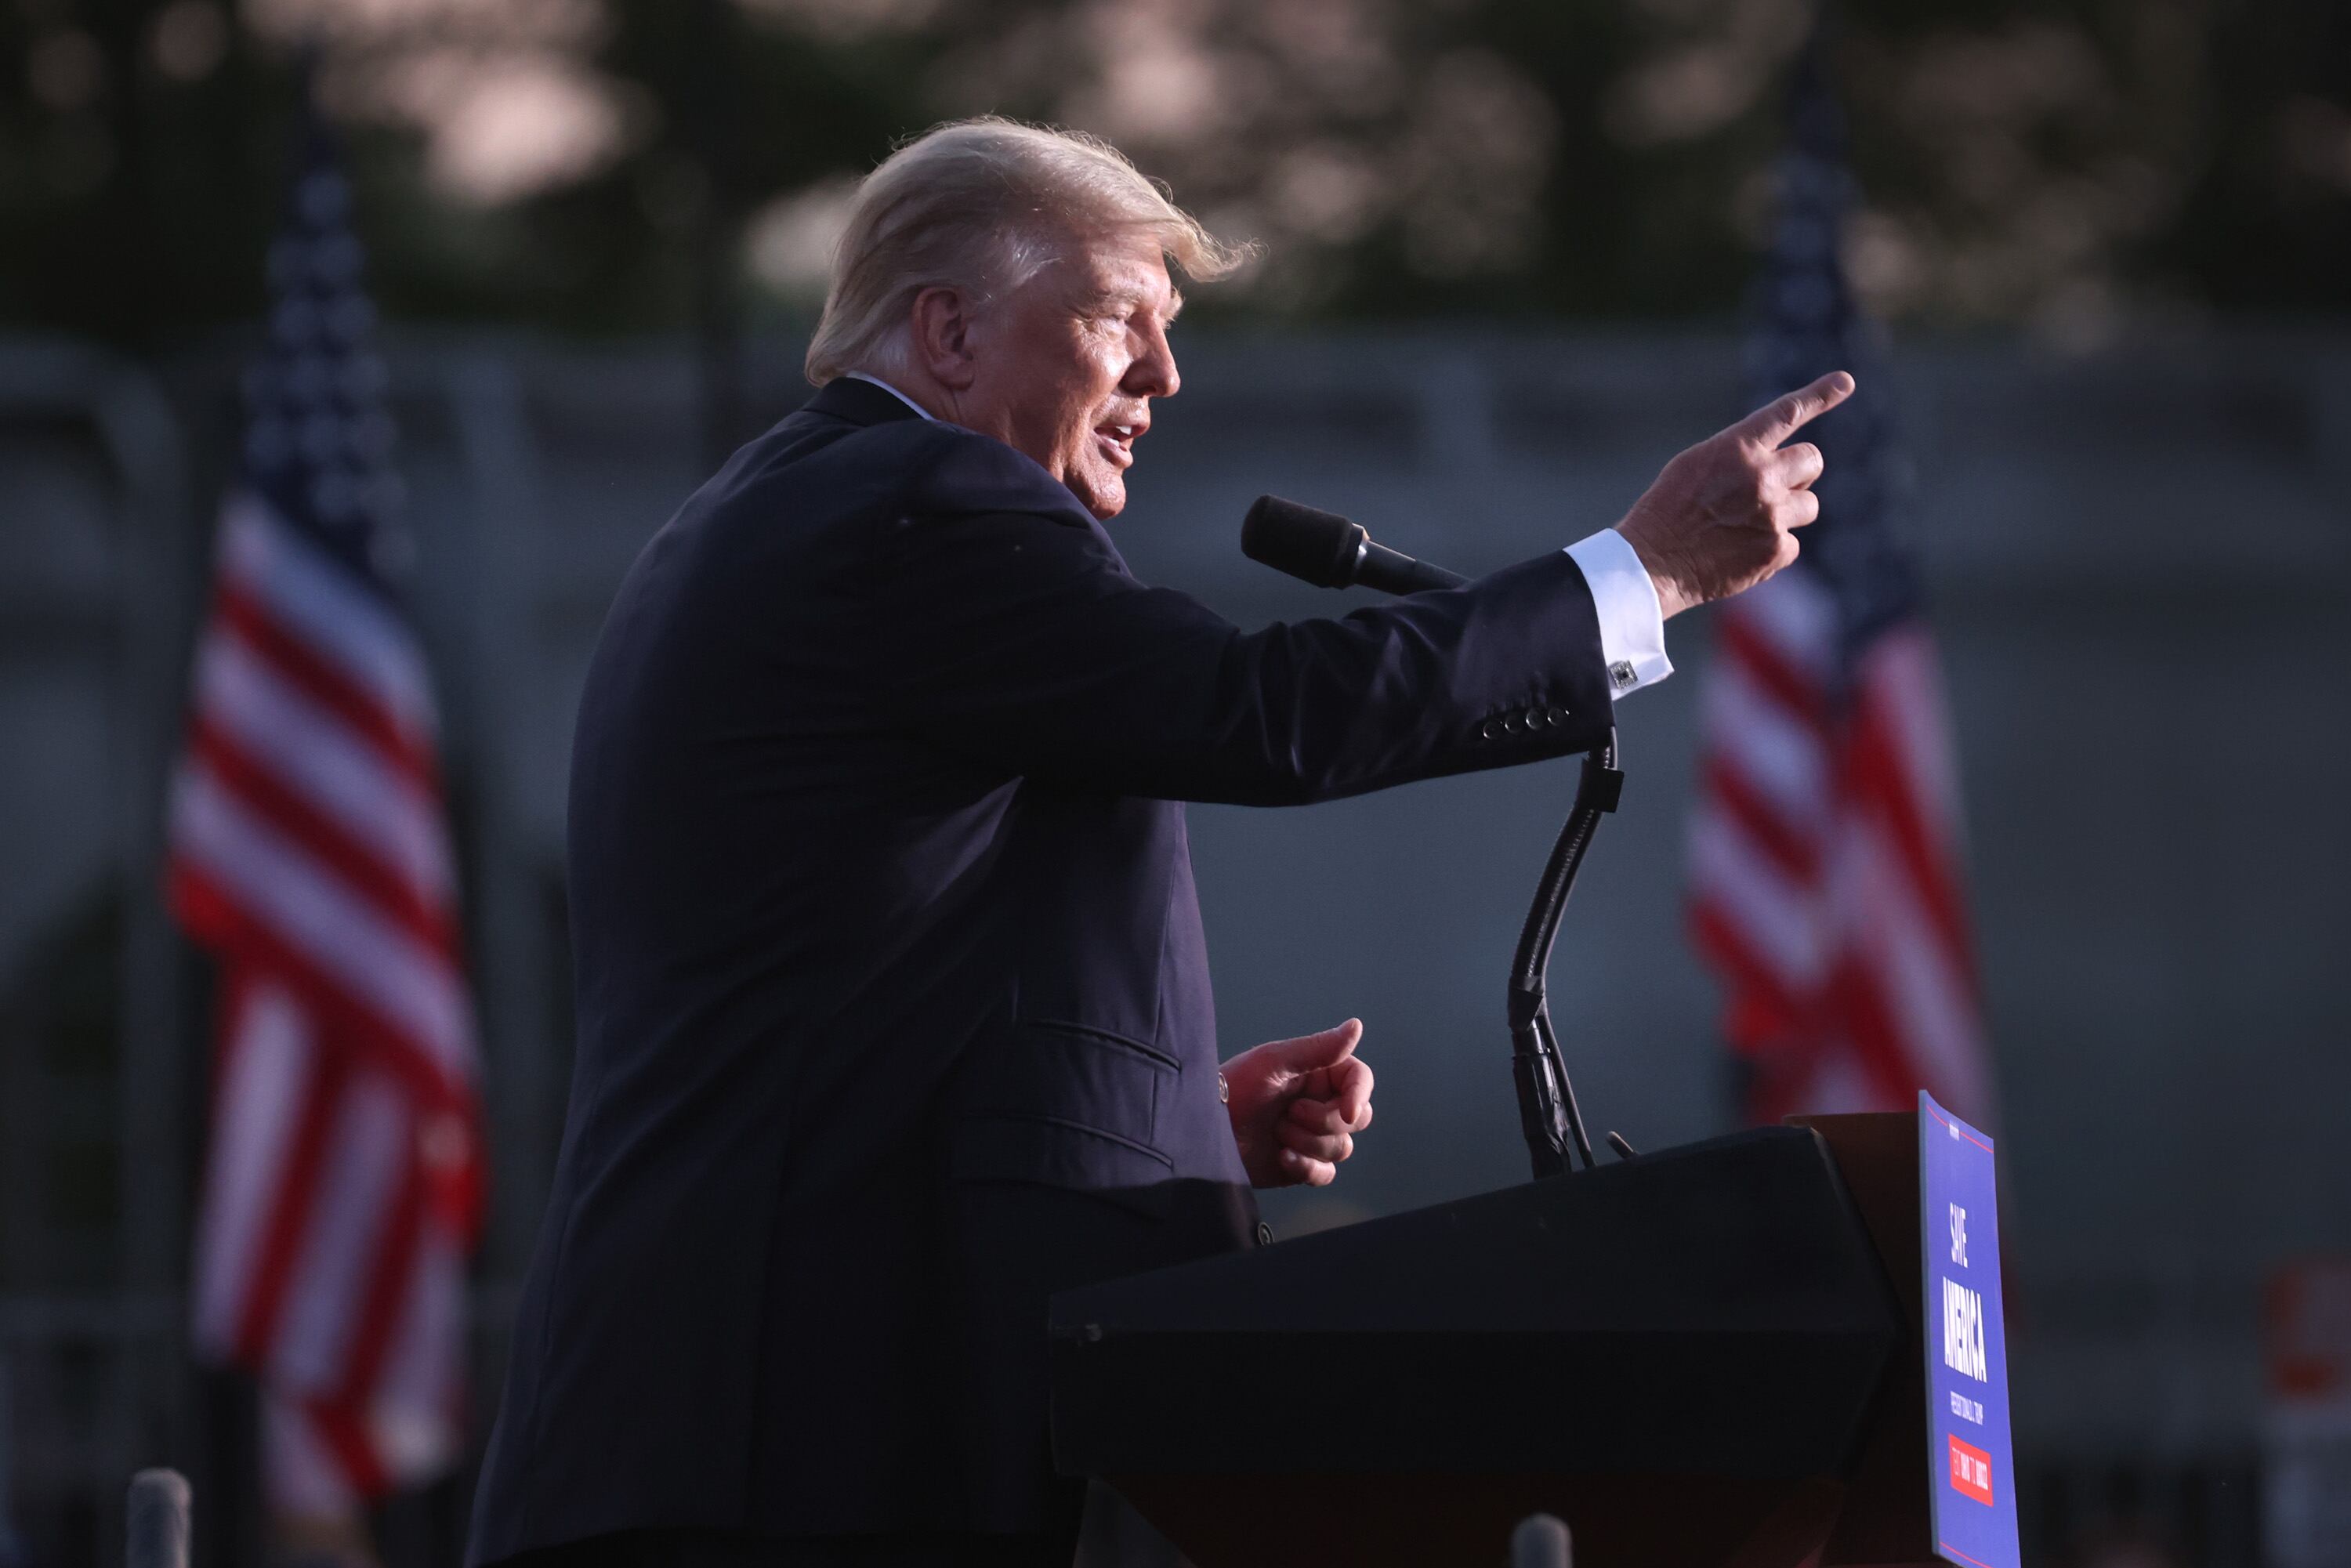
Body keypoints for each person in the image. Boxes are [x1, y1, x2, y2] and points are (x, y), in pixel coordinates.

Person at [467, 117, 1851, 1568]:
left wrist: (1179, 1129)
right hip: (792, 1441)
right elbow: (1258, 714)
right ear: (949, 333)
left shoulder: (777, 513)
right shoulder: (919, 501)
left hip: (723, 1420)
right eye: (1123, 319)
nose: (1164, 376)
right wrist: (1640, 575)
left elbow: (858, 983)